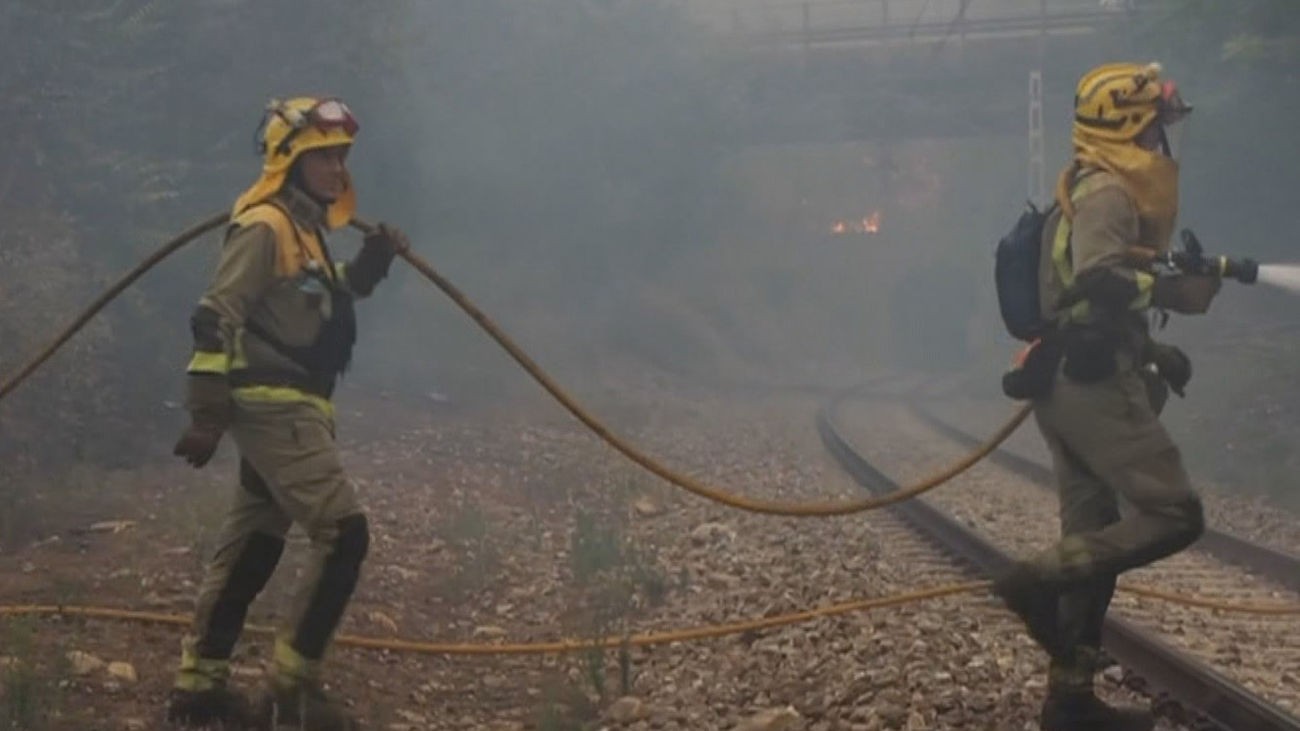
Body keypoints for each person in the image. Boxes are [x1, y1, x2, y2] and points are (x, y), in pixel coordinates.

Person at [167, 96, 408, 730]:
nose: (337, 169)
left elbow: (318, 302)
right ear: (289, 161)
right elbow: (215, 316)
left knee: (255, 543)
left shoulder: (305, 234)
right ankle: (292, 691)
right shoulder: (266, 227)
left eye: (341, 157)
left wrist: (372, 265)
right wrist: (206, 414)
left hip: (299, 406)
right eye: (322, 157)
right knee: (344, 534)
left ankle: (200, 689)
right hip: (275, 410)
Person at [993, 63, 1220, 731]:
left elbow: (1081, 303)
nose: (1160, 141)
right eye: (1153, 127)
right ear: (1130, 126)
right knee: (1175, 514)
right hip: (1093, 387)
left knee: (1094, 545)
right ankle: (1036, 578)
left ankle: (1070, 701)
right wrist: (1177, 293)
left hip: (1067, 381)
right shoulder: (1111, 195)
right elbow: (1100, 277)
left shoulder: (1083, 186)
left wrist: (1154, 350)